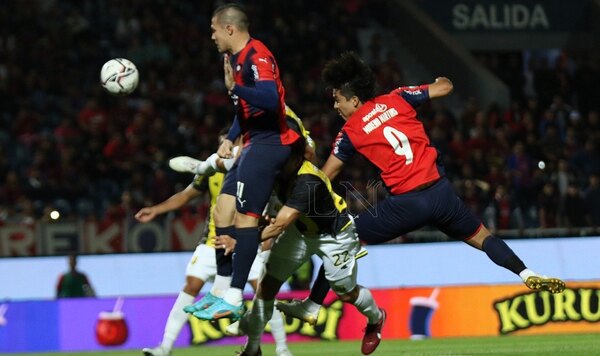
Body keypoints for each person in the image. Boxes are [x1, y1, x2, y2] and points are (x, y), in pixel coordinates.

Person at [276, 52, 565, 325]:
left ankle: (312, 305)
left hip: (408, 203)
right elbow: (444, 88)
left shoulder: (350, 132)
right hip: (442, 194)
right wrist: (440, 81)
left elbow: (325, 177)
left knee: (341, 238)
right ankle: (526, 272)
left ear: (353, 99)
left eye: (338, 100)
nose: (335, 106)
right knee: (484, 238)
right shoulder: (398, 97)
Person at [216, 154, 385, 356]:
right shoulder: (274, 172)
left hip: (335, 235)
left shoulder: (308, 181)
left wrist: (240, 241)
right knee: (267, 286)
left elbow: (279, 224)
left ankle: (376, 318)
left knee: (346, 292)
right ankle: (252, 349)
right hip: (299, 231)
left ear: (294, 160)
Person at [137, 159, 292, 356]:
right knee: (191, 285)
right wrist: (156, 210)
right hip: (213, 243)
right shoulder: (212, 171)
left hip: (248, 242)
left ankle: (280, 348)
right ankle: (165, 347)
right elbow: (185, 196)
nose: (225, 152)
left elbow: (271, 211)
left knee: (264, 292)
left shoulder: (258, 170)